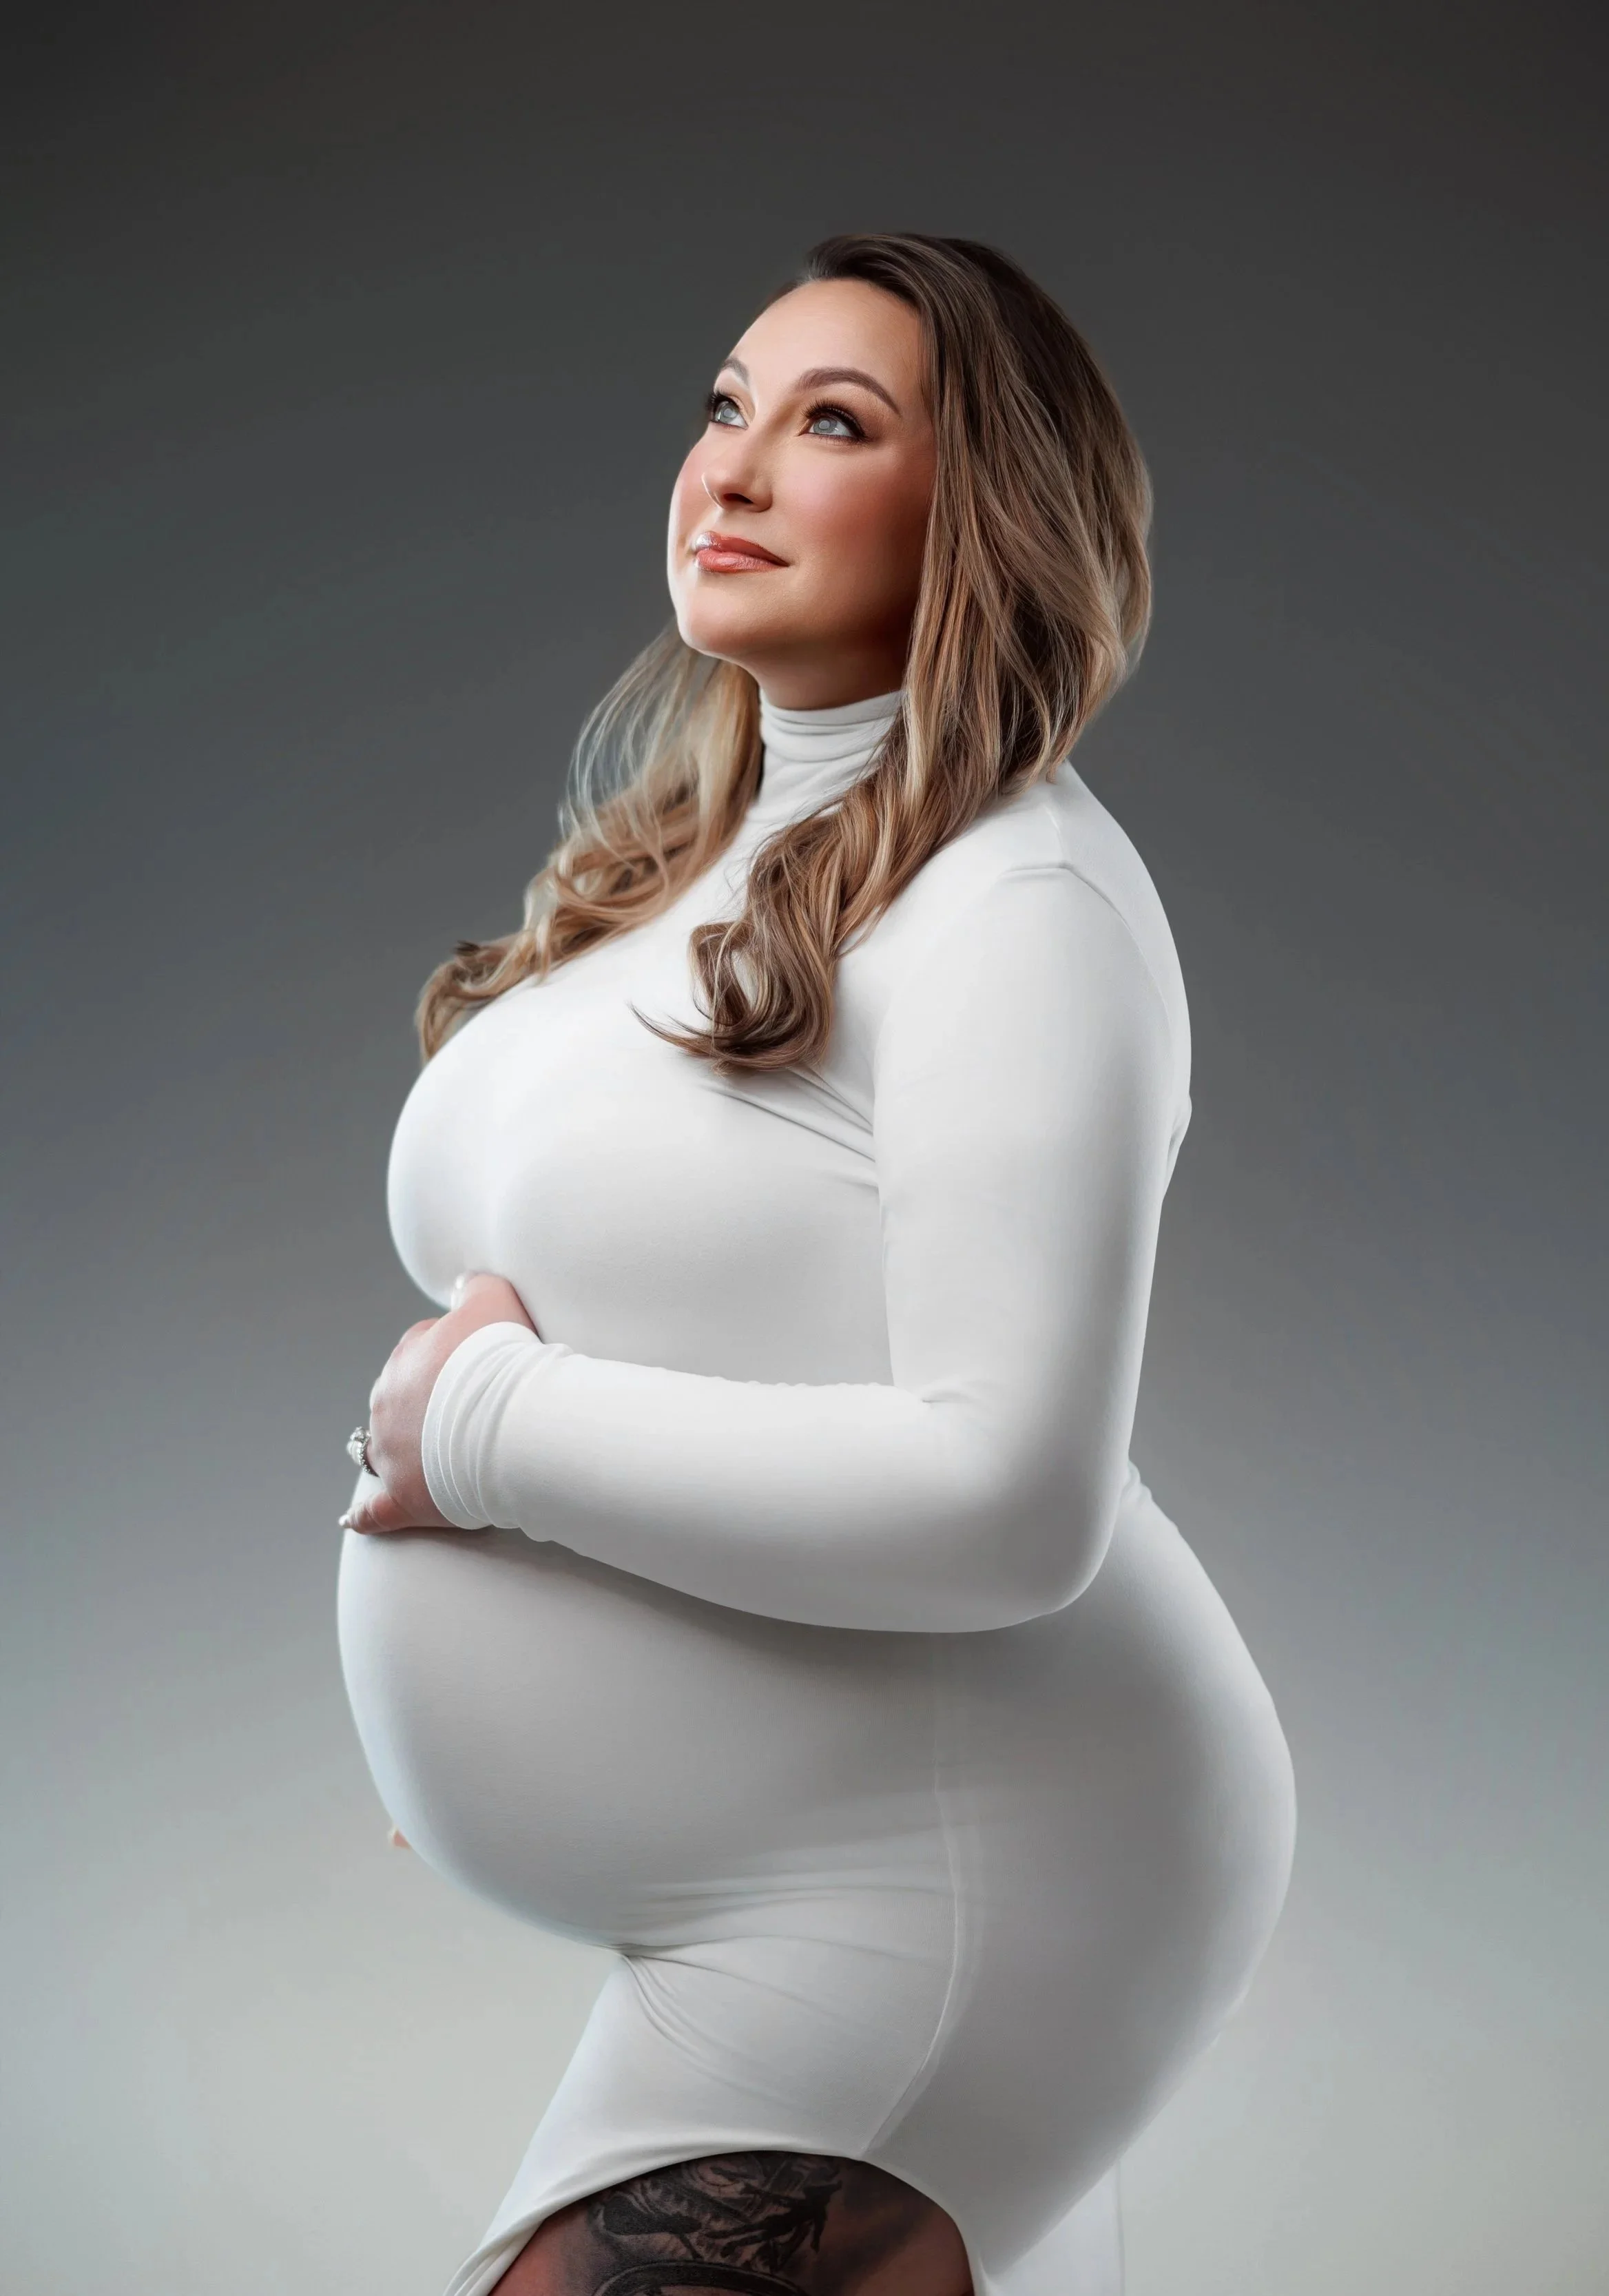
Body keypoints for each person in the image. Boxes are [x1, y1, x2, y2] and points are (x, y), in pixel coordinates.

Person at [335, 231, 1296, 2296]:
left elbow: (1007, 1494)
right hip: (793, 1865)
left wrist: (477, 1432)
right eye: (724, 407)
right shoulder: (693, 866)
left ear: (983, 512)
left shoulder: (1023, 903)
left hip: (967, 1868)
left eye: (834, 423)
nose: (738, 466)